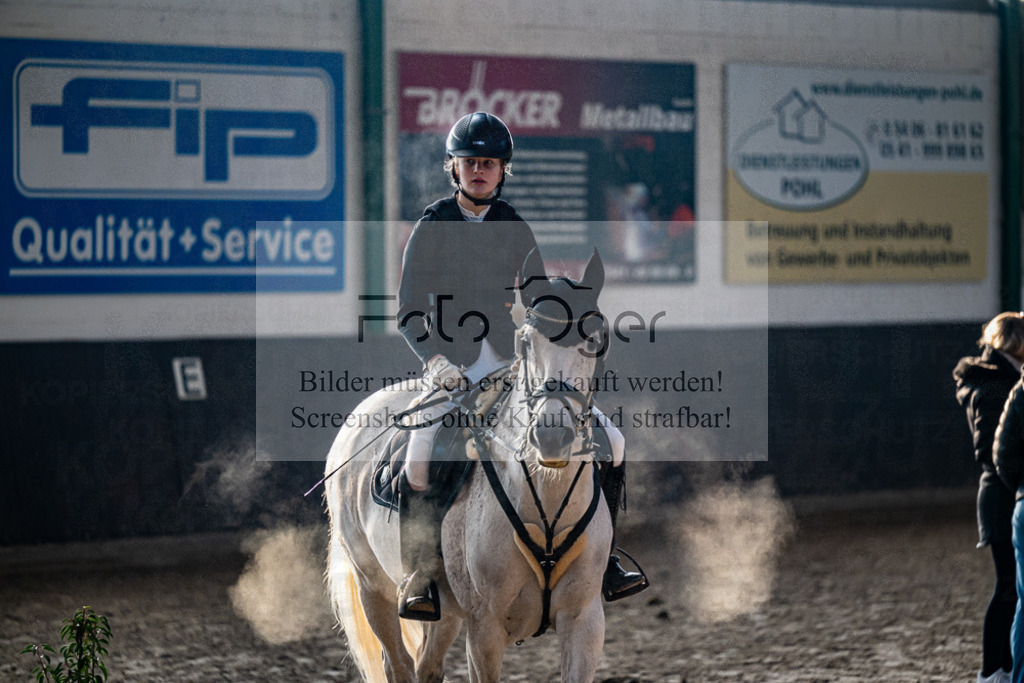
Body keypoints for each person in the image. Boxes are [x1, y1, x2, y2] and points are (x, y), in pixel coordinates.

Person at [395, 111, 647, 621]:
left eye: (489, 163)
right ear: (455, 169)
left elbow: (536, 299)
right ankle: (420, 575)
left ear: (503, 170)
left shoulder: (514, 225)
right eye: (471, 163)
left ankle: (608, 561)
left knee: (612, 442)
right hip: (449, 360)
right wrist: (435, 361)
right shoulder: (432, 224)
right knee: (419, 456)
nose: (480, 171)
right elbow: (406, 310)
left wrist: (569, 310)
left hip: (512, 362)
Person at [963, 312, 1024, 683]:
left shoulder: (997, 379)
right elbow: (991, 449)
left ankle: (1000, 666)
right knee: (1007, 588)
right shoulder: (996, 384)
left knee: (1011, 589)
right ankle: (993, 670)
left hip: (1004, 493)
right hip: (1003, 495)